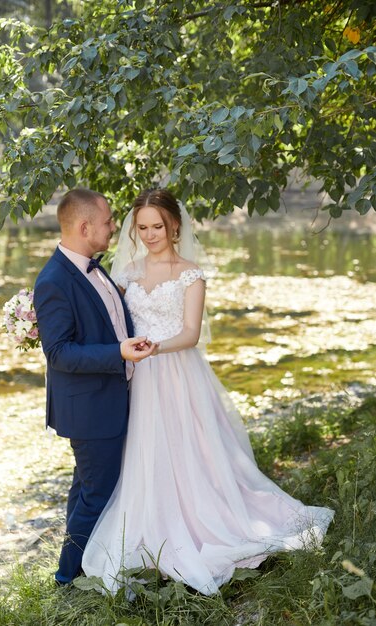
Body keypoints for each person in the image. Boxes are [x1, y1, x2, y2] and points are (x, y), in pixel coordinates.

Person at [82, 188, 334, 596]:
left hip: (178, 372)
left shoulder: (190, 274)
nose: (149, 235)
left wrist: (155, 347)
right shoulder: (125, 274)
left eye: (157, 226)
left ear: (174, 225)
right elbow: (112, 322)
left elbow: (190, 333)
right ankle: (157, 522)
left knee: (191, 447)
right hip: (141, 377)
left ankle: (207, 520)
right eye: (142, 228)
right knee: (149, 450)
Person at [33, 188, 157, 585]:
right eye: (107, 221)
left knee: (86, 489)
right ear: (85, 227)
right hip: (90, 410)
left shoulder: (94, 267)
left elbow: (110, 321)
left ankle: (82, 567)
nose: (112, 227)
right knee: (97, 494)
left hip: (108, 400)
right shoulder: (53, 279)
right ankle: (67, 578)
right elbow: (59, 353)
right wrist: (118, 352)